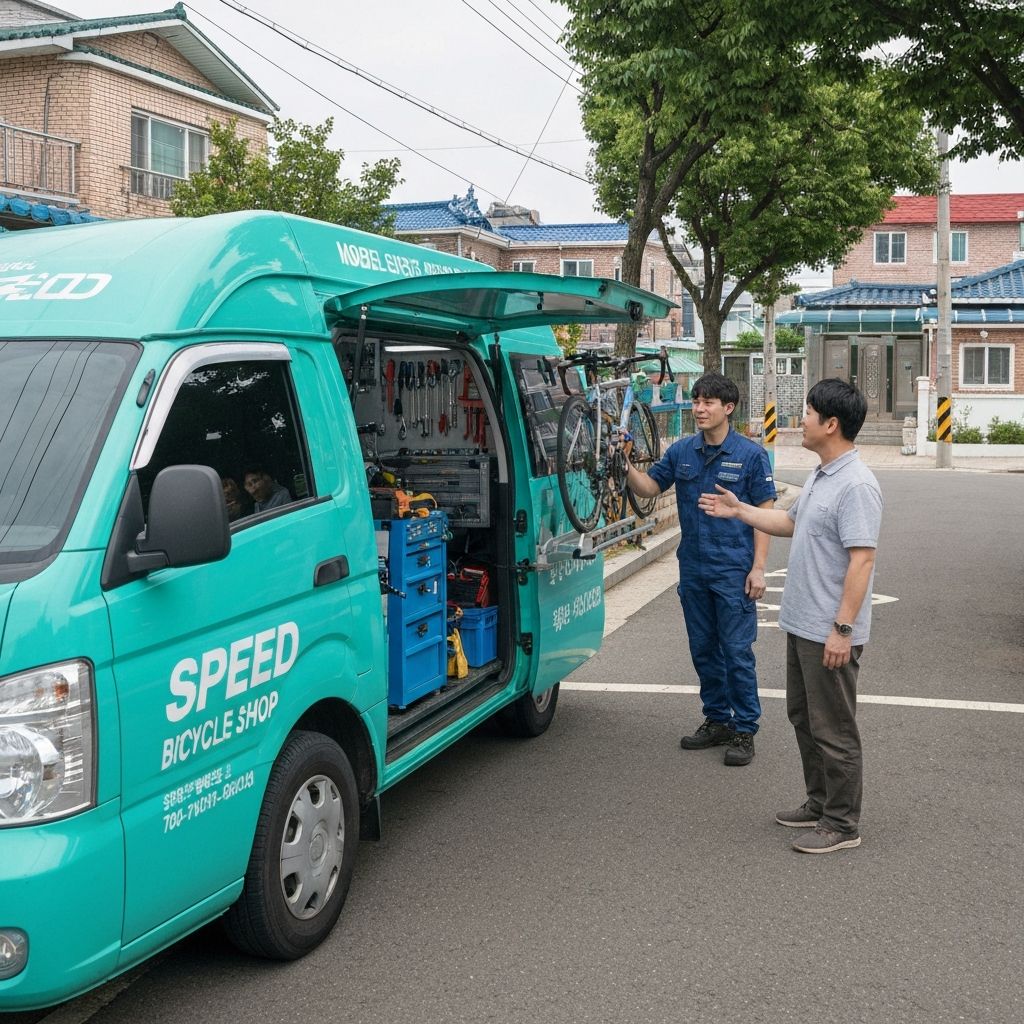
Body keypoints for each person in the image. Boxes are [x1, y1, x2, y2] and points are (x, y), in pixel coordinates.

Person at [697, 378, 883, 854]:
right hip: (803, 624)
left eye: (809, 413)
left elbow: (862, 560)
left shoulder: (857, 484)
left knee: (834, 728)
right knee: (804, 717)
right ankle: (819, 803)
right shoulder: (823, 475)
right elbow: (788, 522)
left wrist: (842, 629)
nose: (802, 420)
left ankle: (842, 823)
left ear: (831, 423)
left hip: (828, 630)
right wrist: (739, 511)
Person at [625, 371, 776, 767]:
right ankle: (718, 719)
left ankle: (745, 728)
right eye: (695, 401)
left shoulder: (750, 455)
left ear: (728, 408)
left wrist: (759, 568)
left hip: (733, 569)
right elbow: (649, 487)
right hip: (693, 568)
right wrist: (623, 465)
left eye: (708, 402)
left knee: (736, 651)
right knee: (704, 649)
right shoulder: (682, 452)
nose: (699, 409)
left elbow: (765, 514)